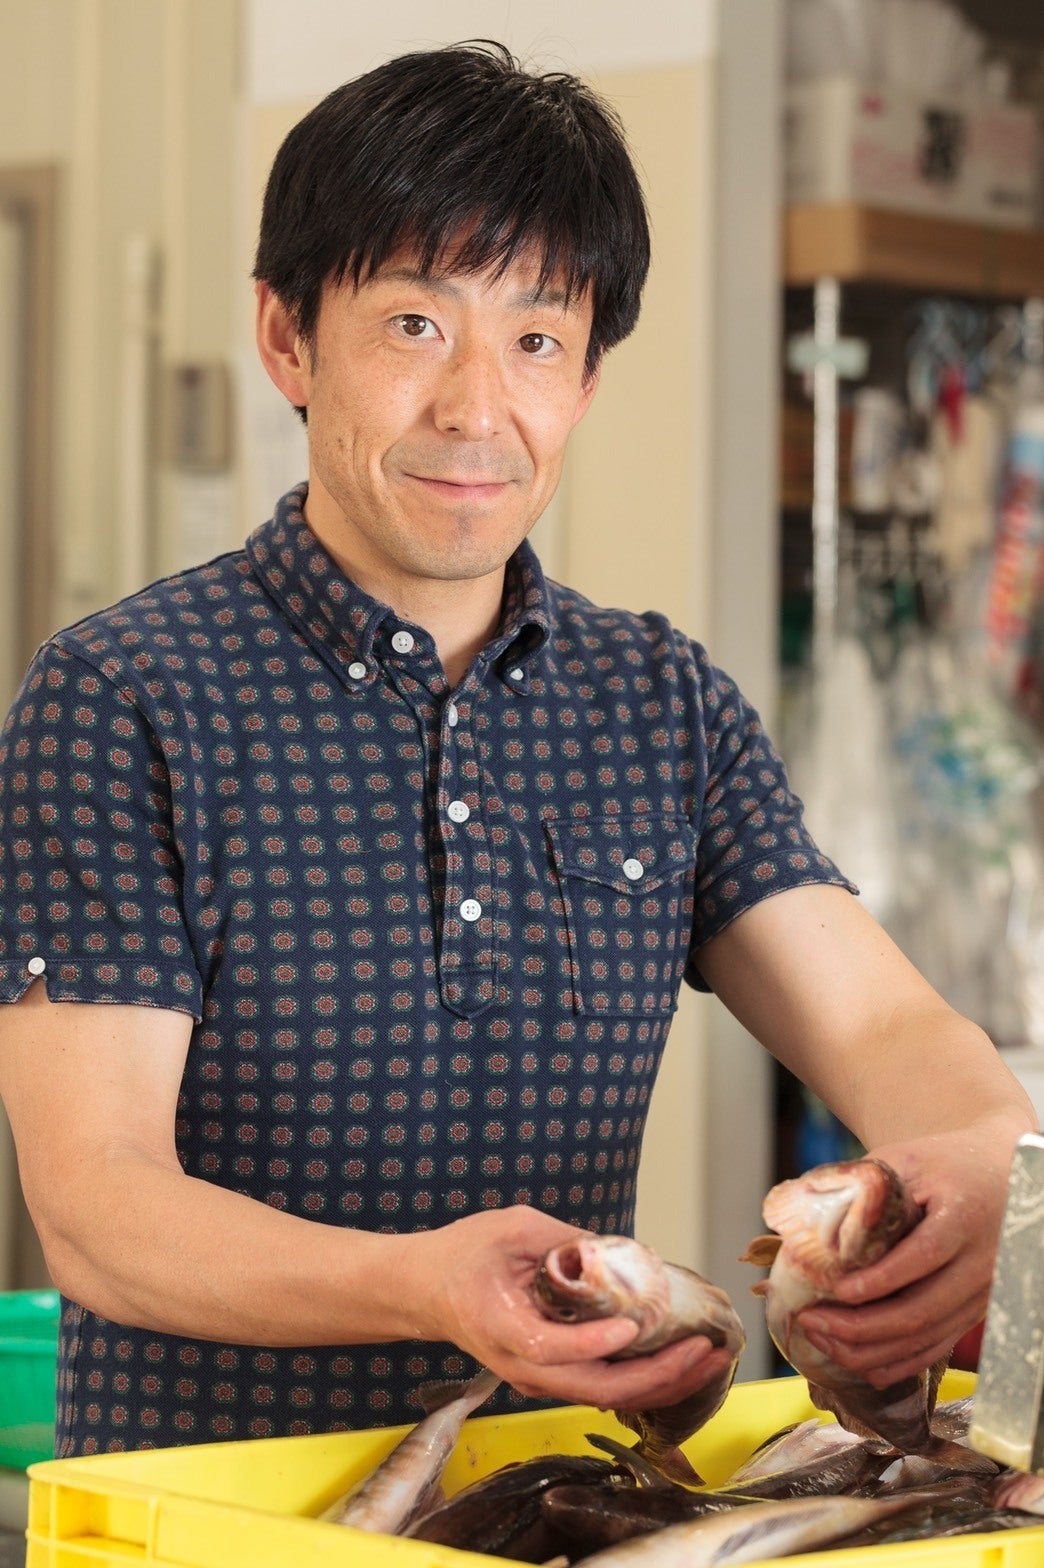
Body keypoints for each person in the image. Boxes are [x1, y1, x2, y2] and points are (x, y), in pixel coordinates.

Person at [0, 41, 1034, 1458]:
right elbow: (98, 1208)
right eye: (415, 325)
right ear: (289, 338)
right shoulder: (123, 696)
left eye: (538, 340)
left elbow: (884, 1029)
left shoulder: (662, 702)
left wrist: (981, 1165)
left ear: (588, 377)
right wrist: (421, 1283)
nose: (478, 408)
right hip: (210, 1518)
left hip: (564, 1505)